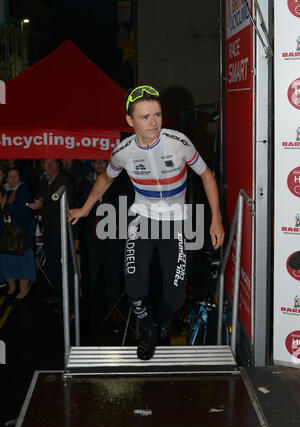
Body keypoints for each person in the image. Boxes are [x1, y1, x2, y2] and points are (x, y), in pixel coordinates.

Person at [69, 85, 225, 360]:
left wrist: (216, 219)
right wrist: (84, 208)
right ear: (130, 121)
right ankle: (148, 327)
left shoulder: (178, 142)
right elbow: (106, 178)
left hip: (175, 221)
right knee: (136, 289)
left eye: (157, 114)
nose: (154, 123)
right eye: (145, 117)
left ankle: (163, 317)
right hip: (142, 218)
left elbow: (206, 175)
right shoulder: (123, 152)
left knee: (176, 299)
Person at [78, 159, 134, 342]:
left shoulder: (120, 183)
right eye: (97, 163)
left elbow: (129, 207)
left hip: (112, 237)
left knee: (112, 274)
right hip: (92, 238)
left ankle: (113, 310)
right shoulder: (85, 182)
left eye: (103, 162)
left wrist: (121, 225)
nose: (100, 166)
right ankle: (87, 310)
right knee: (90, 273)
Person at [28, 159, 78, 311]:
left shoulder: (65, 181)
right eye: (46, 164)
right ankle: (58, 294)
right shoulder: (44, 180)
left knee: (65, 267)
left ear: (58, 165)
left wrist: (42, 205)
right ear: (42, 165)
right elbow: (41, 197)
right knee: (53, 265)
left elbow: (67, 206)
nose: (48, 167)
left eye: (52, 164)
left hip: (63, 230)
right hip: (49, 230)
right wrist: (37, 204)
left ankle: (69, 302)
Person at [0, 167, 36, 300]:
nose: (13, 179)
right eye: (10, 176)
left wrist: (7, 206)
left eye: (15, 176)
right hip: (6, 235)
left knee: (23, 263)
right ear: (6, 178)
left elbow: (26, 216)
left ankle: (24, 289)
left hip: (21, 235)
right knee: (6, 261)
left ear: (20, 178)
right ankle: (12, 286)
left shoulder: (23, 191)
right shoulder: (3, 190)